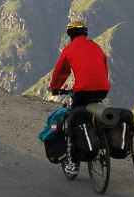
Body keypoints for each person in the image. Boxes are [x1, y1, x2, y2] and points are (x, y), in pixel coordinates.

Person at [48, 20, 111, 174]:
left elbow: (60, 72)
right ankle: (100, 140)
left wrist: (55, 88)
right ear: (85, 33)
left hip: (83, 91)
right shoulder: (96, 47)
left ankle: (74, 163)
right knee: (93, 114)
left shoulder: (69, 49)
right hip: (103, 89)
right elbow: (103, 68)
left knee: (74, 122)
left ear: (70, 35)